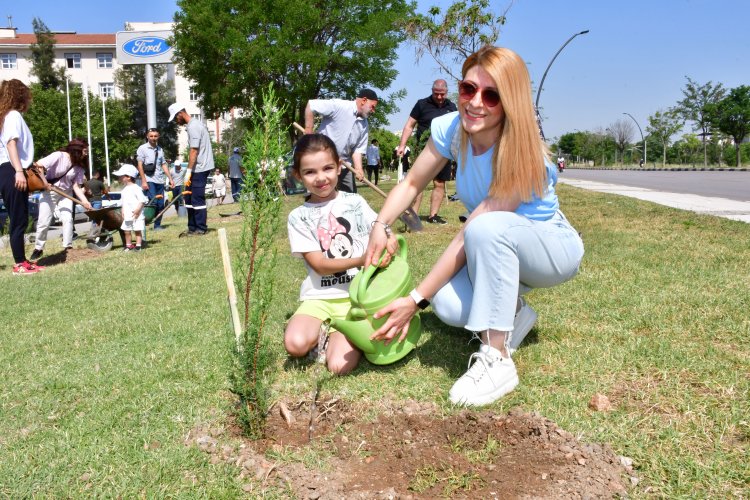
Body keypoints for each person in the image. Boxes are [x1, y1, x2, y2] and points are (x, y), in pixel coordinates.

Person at [364, 47, 585, 406]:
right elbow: (410, 184)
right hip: (494, 244)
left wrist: (414, 300)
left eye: (491, 95)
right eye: (468, 89)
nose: (475, 103)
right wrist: (380, 224)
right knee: (449, 306)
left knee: (484, 228)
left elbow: (475, 229)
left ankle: (497, 359)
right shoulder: (453, 130)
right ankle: (514, 311)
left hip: (549, 249)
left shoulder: (524, 151)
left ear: (510, 101)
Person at [284, 134, 383, 375]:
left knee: (339, 366)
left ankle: (340, 332)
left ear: (339, 166)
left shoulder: (356, 202)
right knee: (294, 344)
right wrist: (361, 259)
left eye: (328, 168)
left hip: (356, 301)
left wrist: (385, 240)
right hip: (318, 298)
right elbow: (318, 264)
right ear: (298, 175)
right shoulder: (298, 216)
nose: (321, 178)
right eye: (310, 172)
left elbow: (380, 231)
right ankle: (321, 331)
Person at [396, 79, 458, 225]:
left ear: (446, 92)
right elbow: (409, 125)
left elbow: (456, 129)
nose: (439, 97)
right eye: (436, 94)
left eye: (442, 94)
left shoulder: (452, 106)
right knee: (419, 183)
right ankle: (414, 215)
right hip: (425, 149)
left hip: (444, 150)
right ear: (432, 91)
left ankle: (433, 215)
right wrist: (402, 145)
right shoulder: (421, 104)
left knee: (440, 183)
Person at [0, 79, 43, 275]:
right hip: (11, 170)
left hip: (9, 169)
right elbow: (11, 144)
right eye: (27, 95)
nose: (29, 99)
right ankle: (19, 265)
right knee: (18, 219)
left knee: (20, 218)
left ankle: (22, 261)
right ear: (20, 95)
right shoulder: (14, 115)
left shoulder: (6, 116)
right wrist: (19, 170)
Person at [29, 139, 93, 262]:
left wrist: (85, 201)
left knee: (68, 218)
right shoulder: (58, 156)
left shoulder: (79, 166)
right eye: (85, 151)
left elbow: (76, 187)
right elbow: (38, 165)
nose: (86, 154)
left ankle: (68, 247)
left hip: (66, 193)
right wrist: (44, 182)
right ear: (77, 150)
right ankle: (38, 248)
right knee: (43, 221)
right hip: (49, 191)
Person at [304, 88, 378, 193]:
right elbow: (311, 105)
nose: (373, 110)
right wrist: (309, 130)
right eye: (372, 106)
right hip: (322, 163)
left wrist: (358, 168)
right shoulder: (339, 106)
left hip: (344, 165)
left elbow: (357, 149)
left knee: (351, 198)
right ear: (364, 100)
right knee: (318, 197)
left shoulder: (364, 124)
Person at [168, 103, 214, 236]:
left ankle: (201, 228)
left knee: (197, 198)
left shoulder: (194, 126)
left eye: (176, 118)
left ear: (180, 114)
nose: (176, 122)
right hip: (195, 169)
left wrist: (187, 172)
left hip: (200, 168)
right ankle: (192, 227)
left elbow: (194, 151)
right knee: (188, 197)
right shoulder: (191, 126)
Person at [136, 128, 173, 231]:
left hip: (160, 180)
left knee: (161, 204)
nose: (153, 138)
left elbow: (164, 164)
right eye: (151, 136)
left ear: (158, 137)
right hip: (149, 180)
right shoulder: (142, 148)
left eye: (155, 136)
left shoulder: (160, 149)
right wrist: (143, 180)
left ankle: (157, 225)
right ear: (147, 136)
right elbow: (139, 165)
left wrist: (170, 178)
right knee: (153, 202)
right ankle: (145, 222)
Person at [113, 164, 148, 252]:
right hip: (128, 214)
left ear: (128, 177)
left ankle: (138, 246)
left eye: (121, 176)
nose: (119, 178)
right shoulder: (124, 190)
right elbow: (123, 202)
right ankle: (129, 245)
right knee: (126, 230)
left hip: (136, 215)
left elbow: (142, 200)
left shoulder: (136, 188)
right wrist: (123, 211)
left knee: (137, 230)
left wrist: (137, 210)